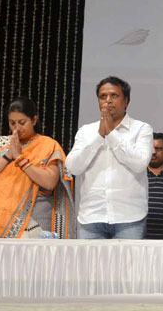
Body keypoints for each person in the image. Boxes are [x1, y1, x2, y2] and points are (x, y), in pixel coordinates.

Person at [64, 76, 153, 239]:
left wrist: (112, 134)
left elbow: (140, 164)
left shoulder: (141, 129)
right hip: (91, 216)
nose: (108, 100)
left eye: (114, 95)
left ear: (126, 101)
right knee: (89, 265)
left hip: (129, 217)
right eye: (103, 96)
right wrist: (99, 136)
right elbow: (73, 167)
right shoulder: (87, 131)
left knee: (127, 265)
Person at [0, 97, 74, 238]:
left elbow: (49, 182)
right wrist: (8, 156)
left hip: (34, 222)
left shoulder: (48, 145)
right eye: (12, 123)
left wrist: (20, 159)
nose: (17, 128)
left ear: (34, 120)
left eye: (22, 123)